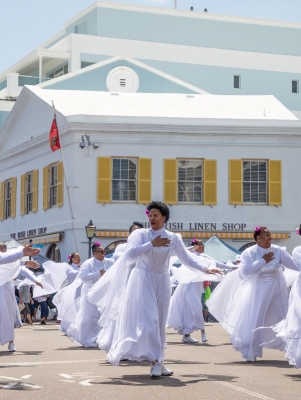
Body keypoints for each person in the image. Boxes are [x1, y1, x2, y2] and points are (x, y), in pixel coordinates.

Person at [88, 201, 221, 378]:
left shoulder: (174, 238)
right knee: (149, 320)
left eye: (155, 215)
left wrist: (206, 269)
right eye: (149, 215)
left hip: (162, 280)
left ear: (164, 218)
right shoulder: (141, 235)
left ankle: (158, 361)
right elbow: (130, 254)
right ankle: (155, 360)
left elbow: (187, 259)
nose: (151, 218)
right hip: (143, 279)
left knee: (159, 323)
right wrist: (152, 244)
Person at [207, 226, 299, 362]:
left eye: (270, 234)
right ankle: (251, 351)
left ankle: (290, 349)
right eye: (266, 235)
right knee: (256, 319)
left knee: (281, 317)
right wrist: (263, 261)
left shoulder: (278, 251)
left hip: (276, 291)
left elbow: (294, 265)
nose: (270, 237)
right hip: (258, 292)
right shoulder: (249, 253)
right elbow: (245, 271)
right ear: (258, 238)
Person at [167, 238, 231, 344]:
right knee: (195, 308)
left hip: (196, 286)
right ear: (196, 246)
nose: (204, 246)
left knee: (191, 309)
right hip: (187, 286)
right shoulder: (188, 256)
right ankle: (202, 333)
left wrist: (231, 267)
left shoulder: (204, 257)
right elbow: (187, 269)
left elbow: (216, 263)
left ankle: (186, 335)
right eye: (202, 244)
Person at [96, 222, 143, 352]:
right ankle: (117, 343)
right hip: (123, 283)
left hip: (138, 283)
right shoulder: (122, 247)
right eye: (134, 231)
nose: (136, 233)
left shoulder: (145, 247)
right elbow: (120, 260)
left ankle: (133, 346)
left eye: (139, 231)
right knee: (122, 313)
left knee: (135, 314)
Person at [65, 243, 114, 347]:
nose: (103, 254)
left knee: (102, 316)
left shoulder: (109, 262)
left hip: (104, 291)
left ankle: (101, 338)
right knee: (89, 316)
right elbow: (83, 277)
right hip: (90, 291)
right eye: (101, 252)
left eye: (104, 252)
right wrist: (98, 273)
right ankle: (88, 338)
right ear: (95, 253)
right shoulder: (88, 263)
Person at [0, 242, 42, 351]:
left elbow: (21, 269)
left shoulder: (12, 261)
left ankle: (11, 341)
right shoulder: (7, 259)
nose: (1, 252)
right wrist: (23, 256)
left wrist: (35, 279)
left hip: (6, 290)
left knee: (8, 316)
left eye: (2, 250)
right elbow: (6, 259)